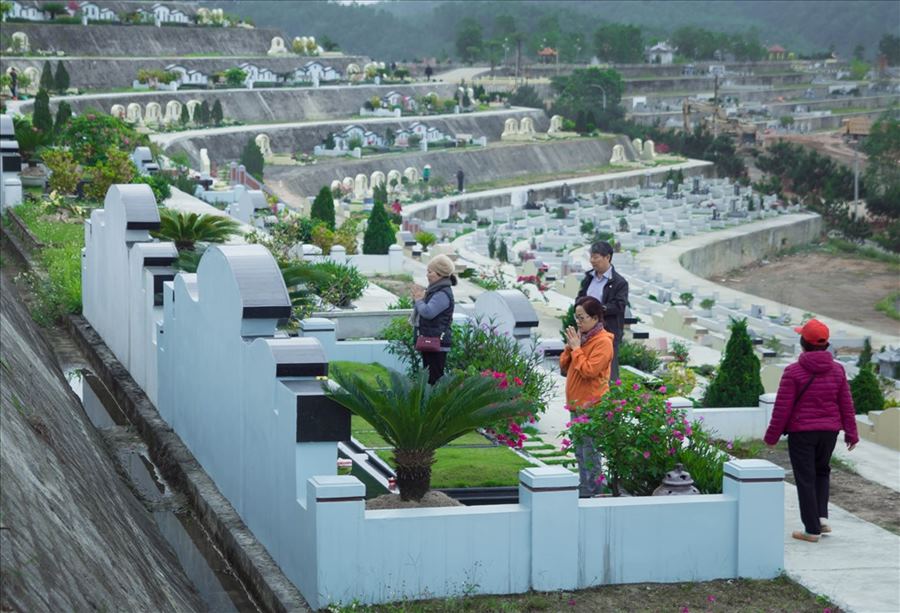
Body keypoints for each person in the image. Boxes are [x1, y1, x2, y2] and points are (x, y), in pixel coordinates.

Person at [764, 319, 859, 543]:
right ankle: (821, 517)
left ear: (802, 343)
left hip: (802, 433)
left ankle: (811, 529)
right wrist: (852, 433)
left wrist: (771, 436)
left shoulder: (793, 372)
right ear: (826, 345)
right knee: (822, 471)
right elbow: (846, 403)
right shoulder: (837, 370)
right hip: (829, 432)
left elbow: (782, 408)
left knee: (805, 478)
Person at [560, 296, 615, 497]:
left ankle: (594, 493)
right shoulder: (581, 339)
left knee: (590, 454)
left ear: (594, 318)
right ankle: (584, 491)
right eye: (576, 318)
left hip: (592, 405)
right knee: (580, 453)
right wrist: (570, 346)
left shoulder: (603, 342)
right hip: (575, 404)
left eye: (582, 318)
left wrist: (576, 349)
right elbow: (564, 366)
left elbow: (589, 371)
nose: (578, 322)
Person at [576, 241, 629, 381]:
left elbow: (619, 305)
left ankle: (610, 398)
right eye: (591, 257)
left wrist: (598, 310)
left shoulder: (619, 282)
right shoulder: (589, 278)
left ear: (608, 257)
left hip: (607, 332)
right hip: (586, 332)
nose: (592, 261)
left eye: (596, 257)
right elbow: (579, 297)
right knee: (586, 365)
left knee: (608, 369)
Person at [411, 254, 456, 384]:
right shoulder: (435, 290)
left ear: (439, 274)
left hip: (436, 342)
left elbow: (428, 312)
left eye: (430, 272)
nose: (427, 275)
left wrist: (419, 300)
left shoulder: (442, 293)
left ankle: (435, 403)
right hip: (430, 340)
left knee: (434, 380)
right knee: (429, 378)